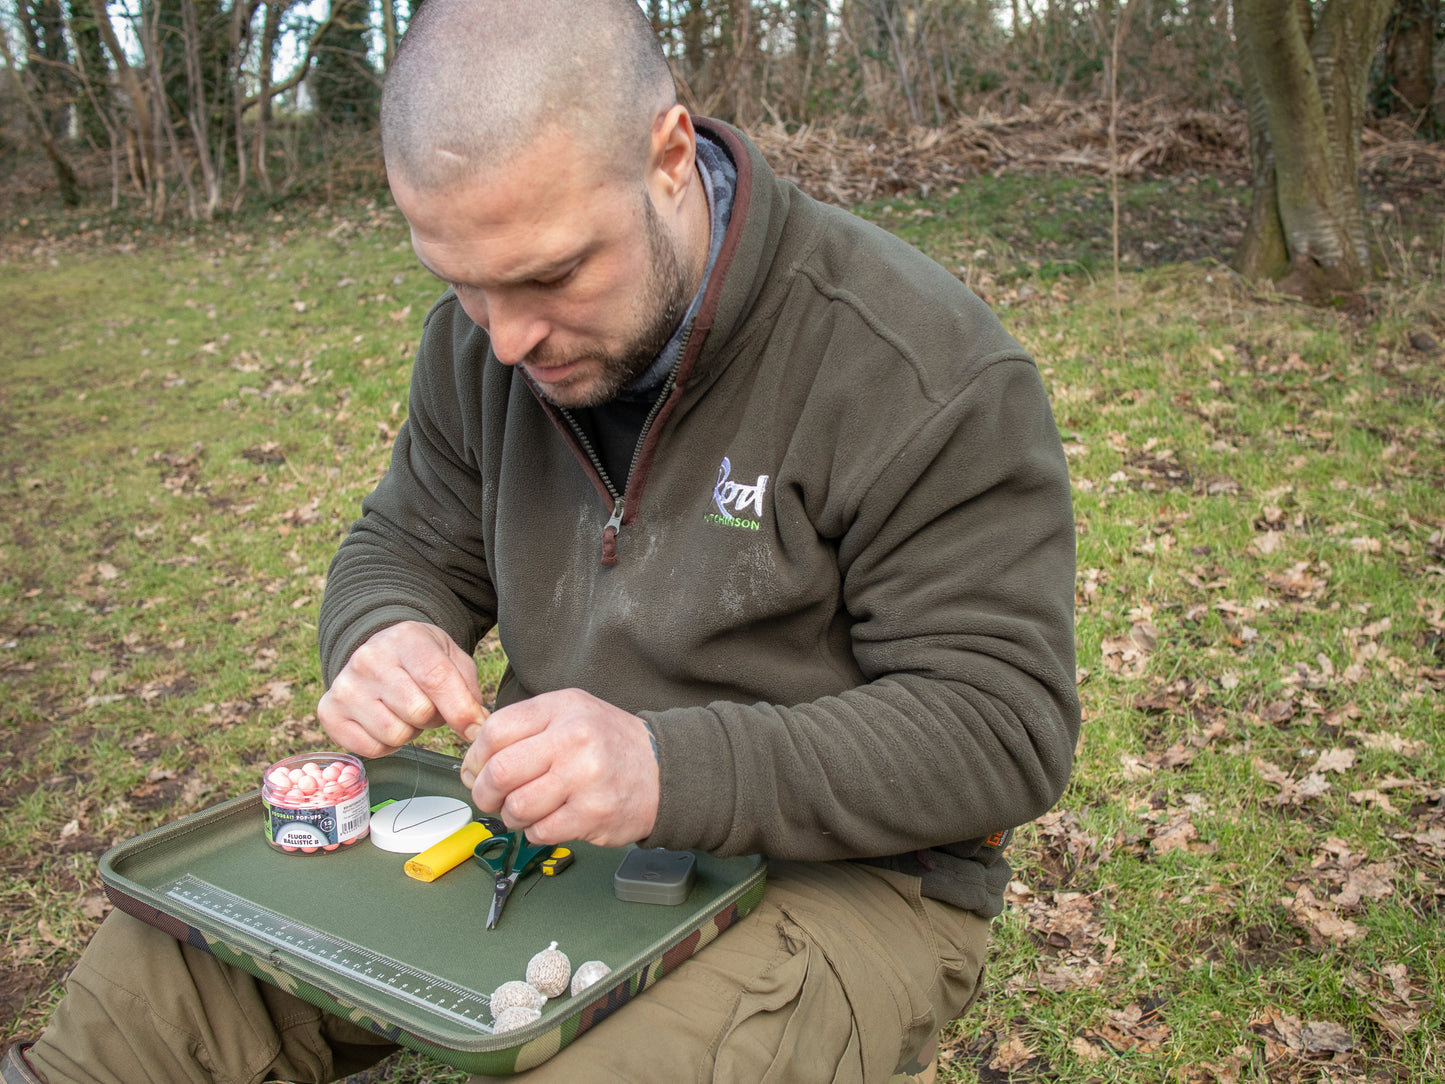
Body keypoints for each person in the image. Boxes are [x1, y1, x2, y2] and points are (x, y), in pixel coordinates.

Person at [3, 1, 1080, 1081]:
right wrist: (387, 627)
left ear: (666, 157)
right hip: (540, 831)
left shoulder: (914, 366)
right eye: (460, 283)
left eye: (550, 275)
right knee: (170, 965)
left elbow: (1000, 725)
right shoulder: (480, 351)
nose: (507, 338)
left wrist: (665, 767)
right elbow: (405, 539)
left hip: (842, 877)